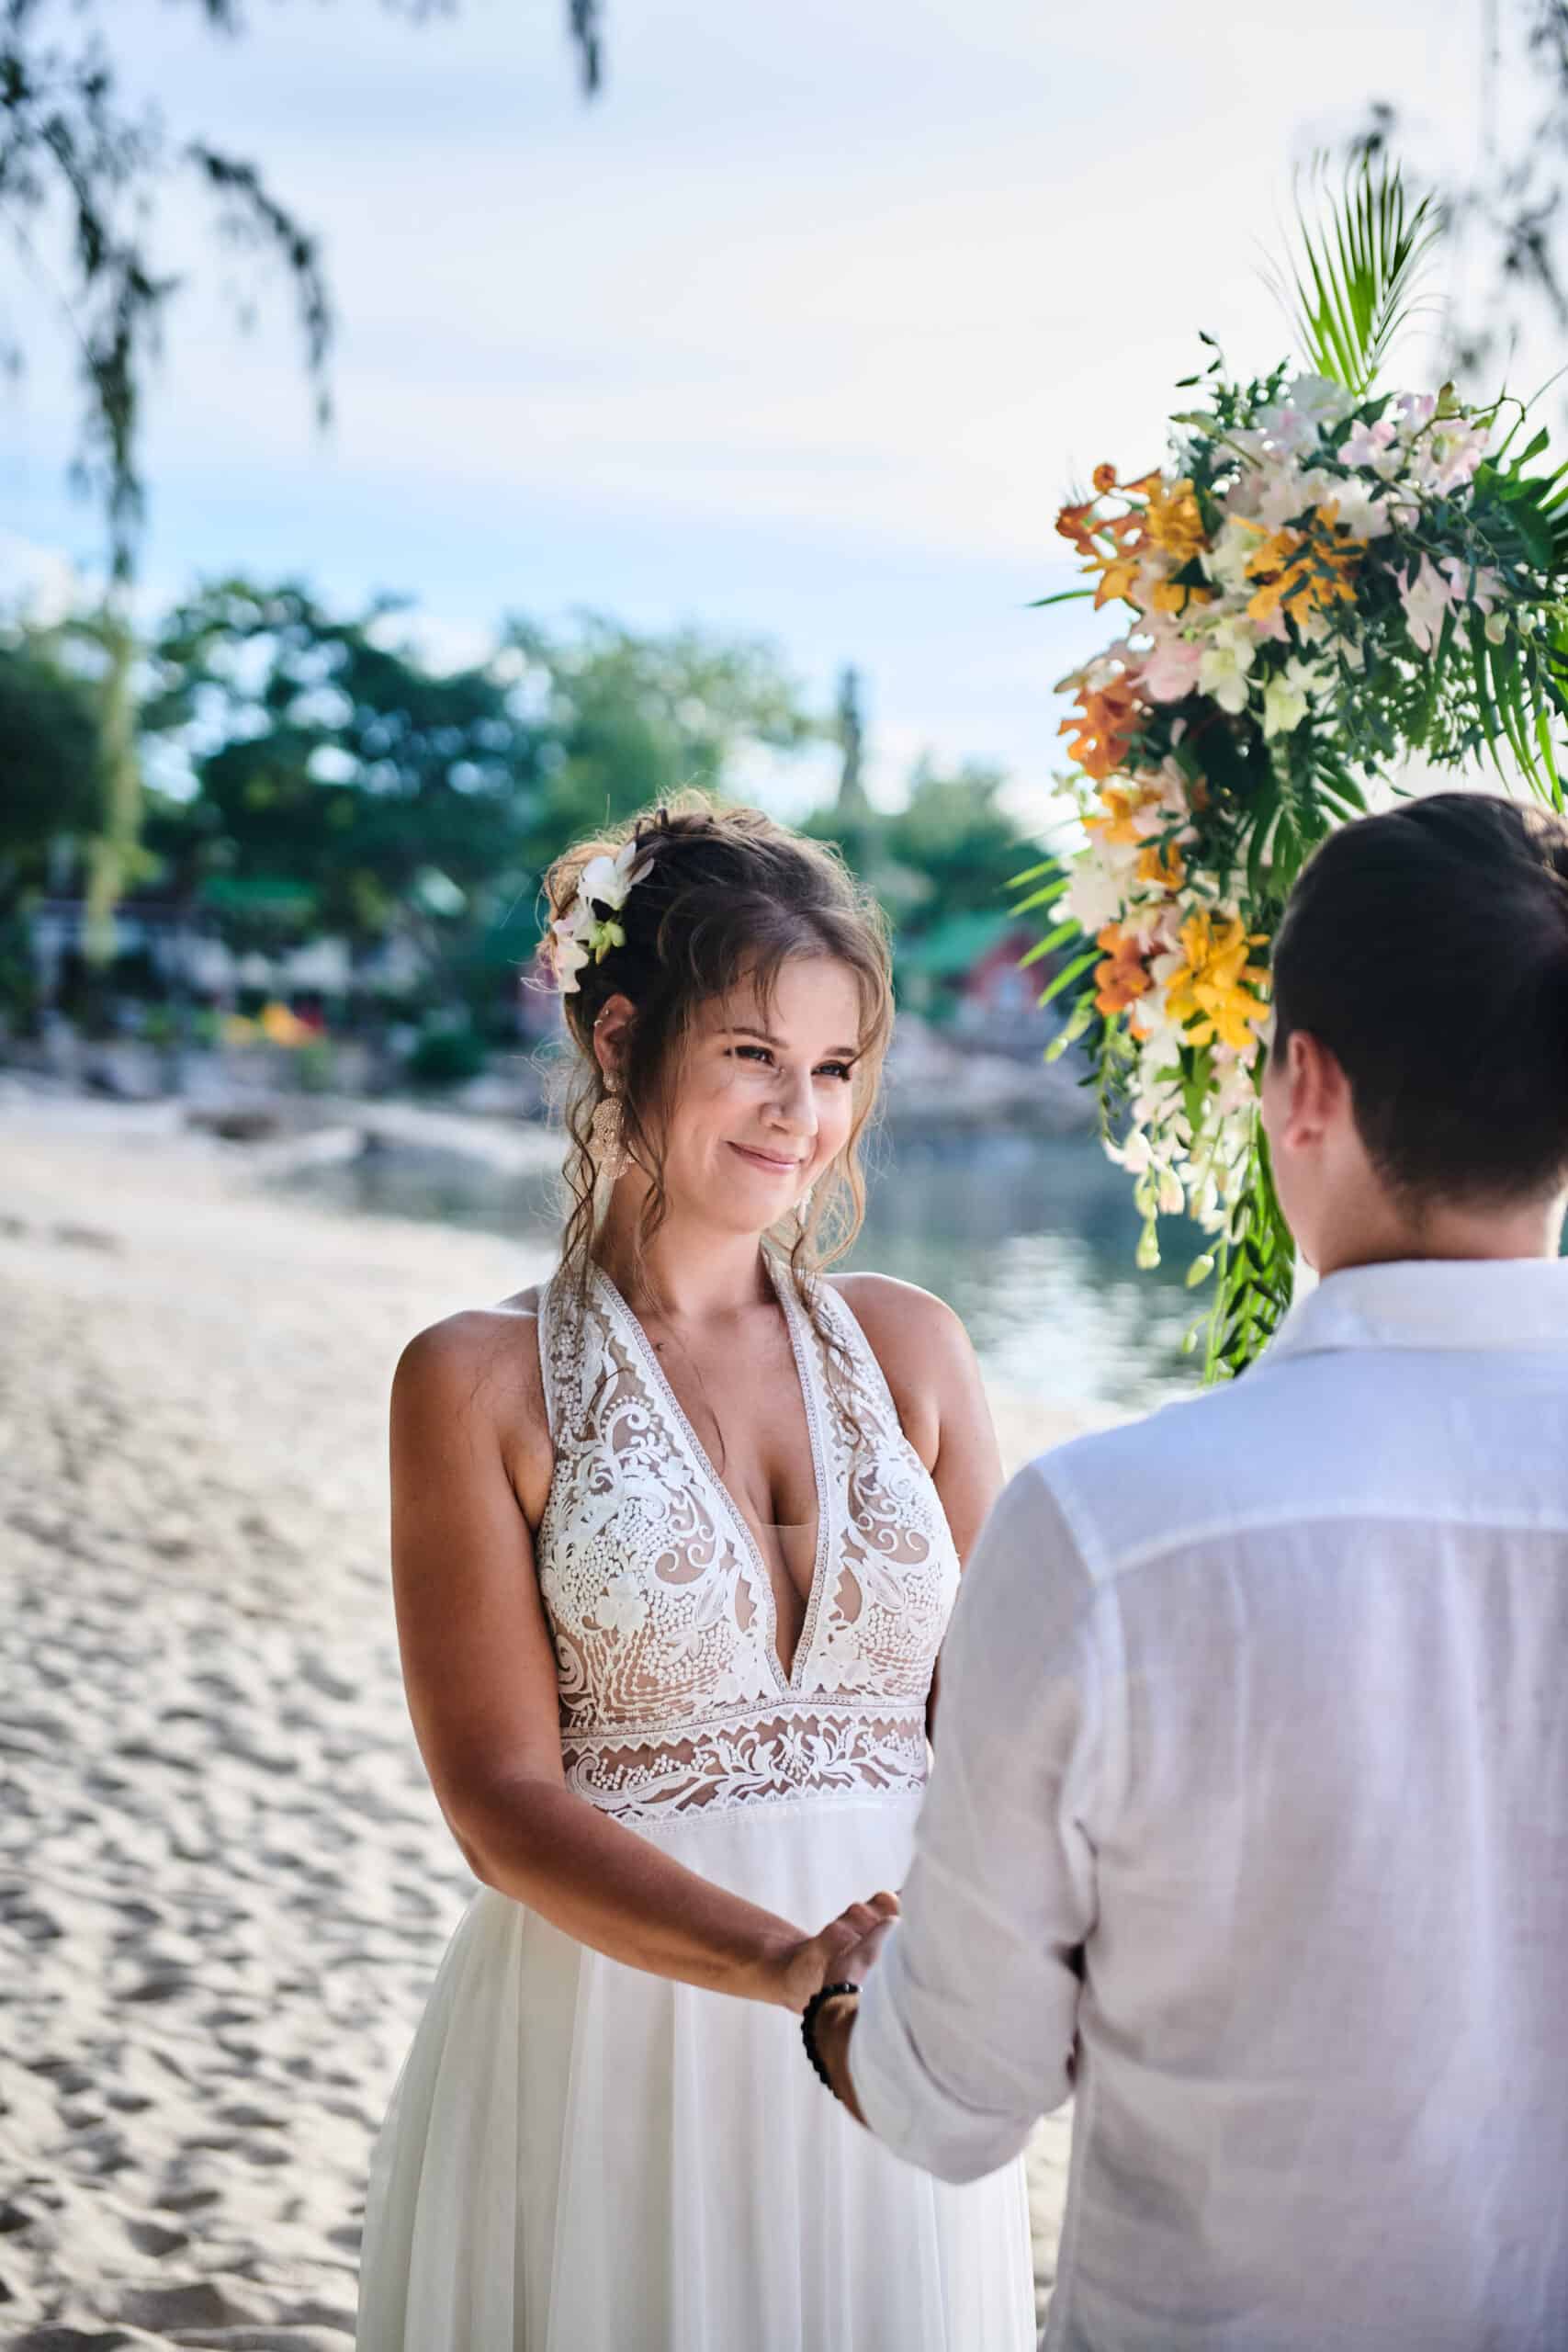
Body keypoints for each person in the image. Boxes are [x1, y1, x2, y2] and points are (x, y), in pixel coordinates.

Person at [804, 790, 1568, 2351]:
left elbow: (956, 2100)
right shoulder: (1114, 1537)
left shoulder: (1108, 1535)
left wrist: (841, 2009)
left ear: (1305, 1084)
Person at [354, 797, 1035, 2350]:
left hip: (899, 2030)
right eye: (752, 1053)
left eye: (836, 1068)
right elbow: (499, 1804)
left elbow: (1010, 1725)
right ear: (618, 1040)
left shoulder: (915, 1348)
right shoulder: (473, 1381)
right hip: (614, 2036)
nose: (802, 1112)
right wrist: (786, 1969)